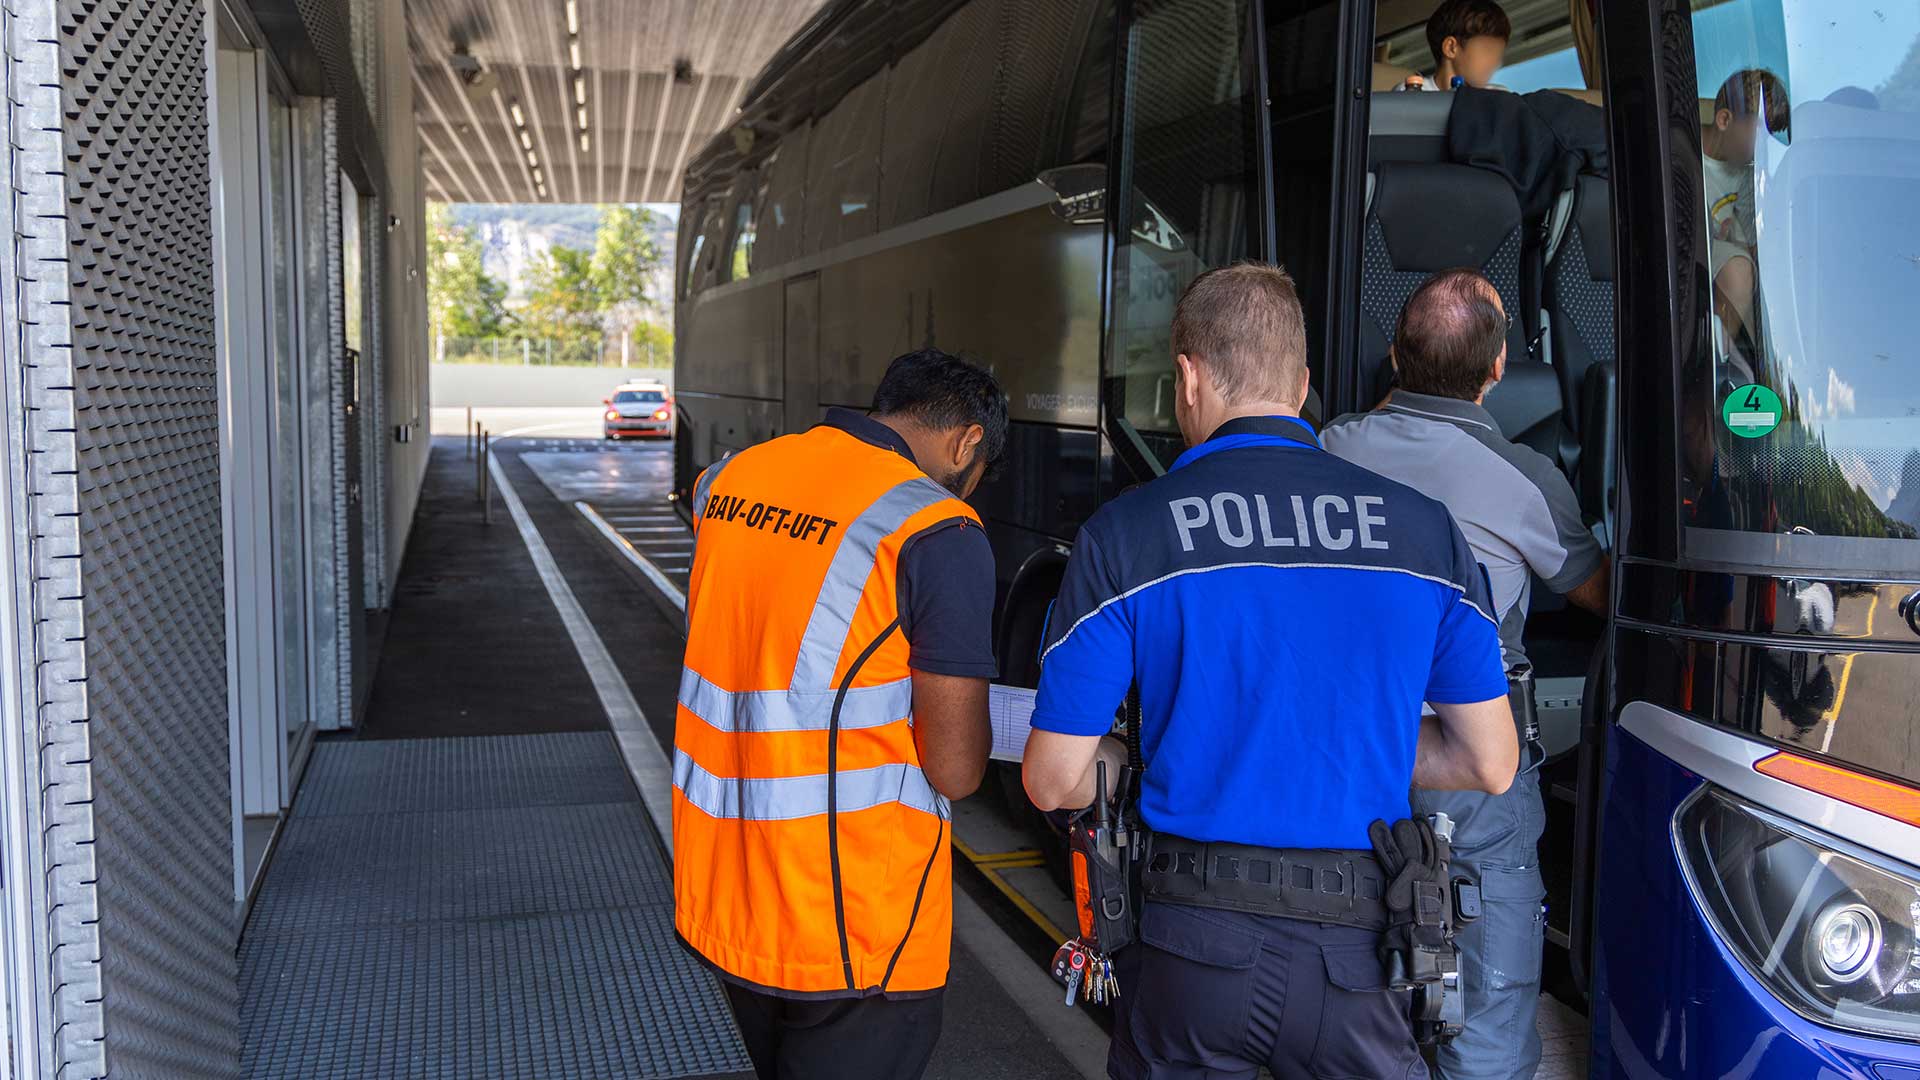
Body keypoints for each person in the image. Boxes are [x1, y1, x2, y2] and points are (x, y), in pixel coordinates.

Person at [1023, 263, 1518, 1080]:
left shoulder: (1129, 534)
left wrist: (1137, 759)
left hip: (1191, 945)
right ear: (1302, 385)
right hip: (1363, 952)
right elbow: (1489, 761)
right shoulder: (1426, 535)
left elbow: (1051, 779)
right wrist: (1350, 739)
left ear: (1187, 379)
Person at [674, 349, 1005, 1080]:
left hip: (732, 893)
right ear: (966, 443)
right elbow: (954, 771)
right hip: (856, 921)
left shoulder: (730, 480)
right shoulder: (935, 529)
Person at [1323, 268, 1609, 1080]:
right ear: (1500, 368)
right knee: (1484, 980)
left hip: (1349, 746)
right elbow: (1598, 593)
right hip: (1469, 757)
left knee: (1350, 961)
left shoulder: (1334, 446)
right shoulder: (1523, 479)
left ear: (1393, 359)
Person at [1701, 68, 1790, 369]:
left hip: (1721, 254)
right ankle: (1711, 363)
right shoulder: (1679, 154)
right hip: (1691, 254)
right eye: (1760, 135)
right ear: (1725, 121)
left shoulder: (1748, 171)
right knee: (1738, 271)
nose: (1767, 147)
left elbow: (1756, 242)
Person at [1402, 0, 1510, 91]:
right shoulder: (1412, 93)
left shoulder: (1498, 98)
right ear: (1451, 48)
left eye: (1499, 55)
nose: (1496, 63)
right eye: (1488, 50)